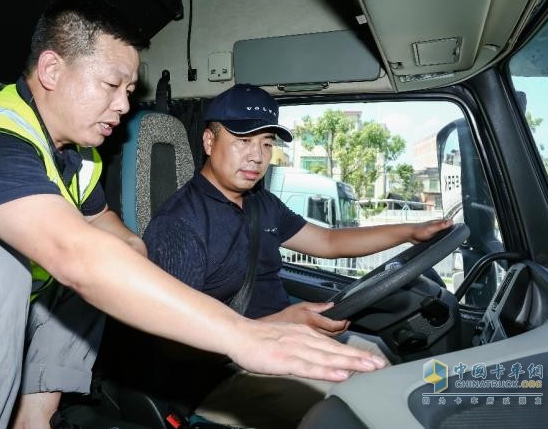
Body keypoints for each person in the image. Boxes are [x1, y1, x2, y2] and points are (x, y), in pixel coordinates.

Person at [0, 0, 387, 429]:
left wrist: (133, 252)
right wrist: (244, 334)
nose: (124, 106)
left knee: (106, 257)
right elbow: (76, 257)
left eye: (129, 91)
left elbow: (116, 242)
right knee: (5, 268)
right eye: (111, 85)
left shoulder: (77, 158)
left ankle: (35, 418)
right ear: (52, 70)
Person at [142, 83, 453, 428]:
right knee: (364, 402)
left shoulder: (262, 203)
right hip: (229, 370)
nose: (257, 156)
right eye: (243, 140)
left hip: (284, 342)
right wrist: (283, 323)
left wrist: (409, 233)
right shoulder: (179, 225)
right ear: (209, 142)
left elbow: (330, 242)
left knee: (383, 366)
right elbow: (172, 346)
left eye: (266, 143)